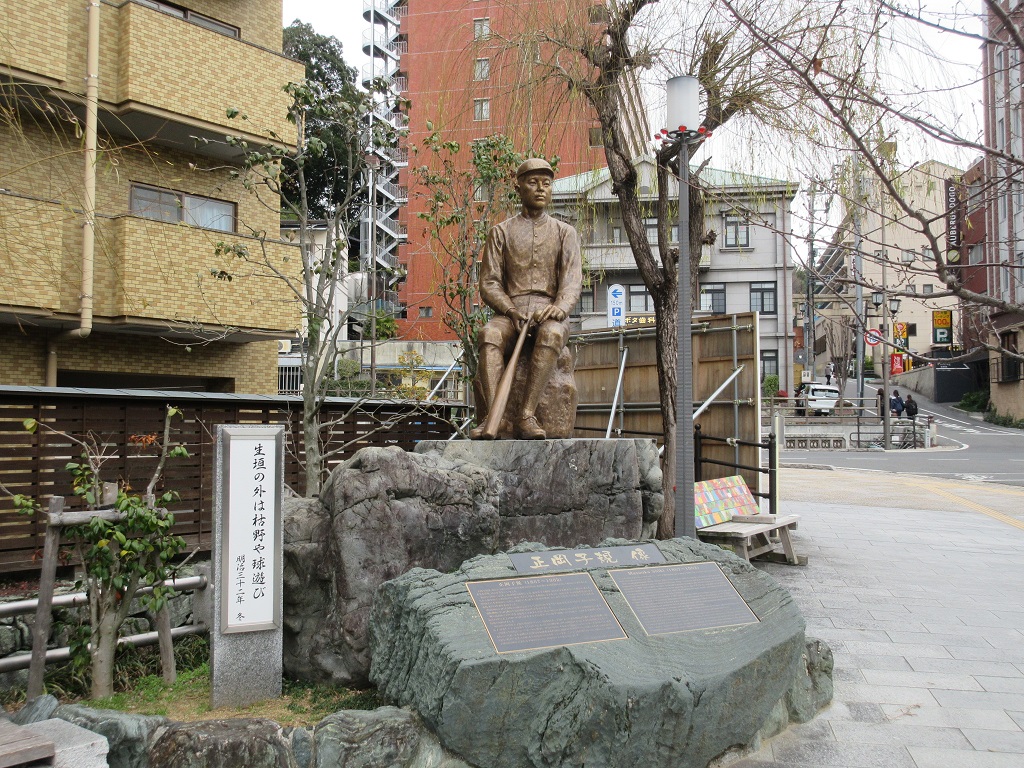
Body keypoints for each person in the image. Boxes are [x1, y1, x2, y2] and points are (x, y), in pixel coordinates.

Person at [470, 158, 582, 439]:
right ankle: (494, 416)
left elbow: (571, 282)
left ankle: (526, 415)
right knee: (488, 334)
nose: (541, 189)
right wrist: (510, 310)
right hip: (511, 313)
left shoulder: (565, 233)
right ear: (518, 188)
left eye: (547, 183)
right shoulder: (500, 232)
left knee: (552, 334)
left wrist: (558, 308)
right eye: (533, 182)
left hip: (548, 313)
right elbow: (489, 282)